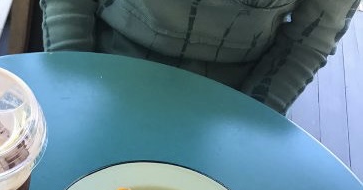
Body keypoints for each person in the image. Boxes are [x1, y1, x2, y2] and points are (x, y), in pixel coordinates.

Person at [40, 0, 359, 114]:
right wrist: (72, 86)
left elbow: (309, 40)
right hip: (103, 71)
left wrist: (250, 124)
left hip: (234, 100)